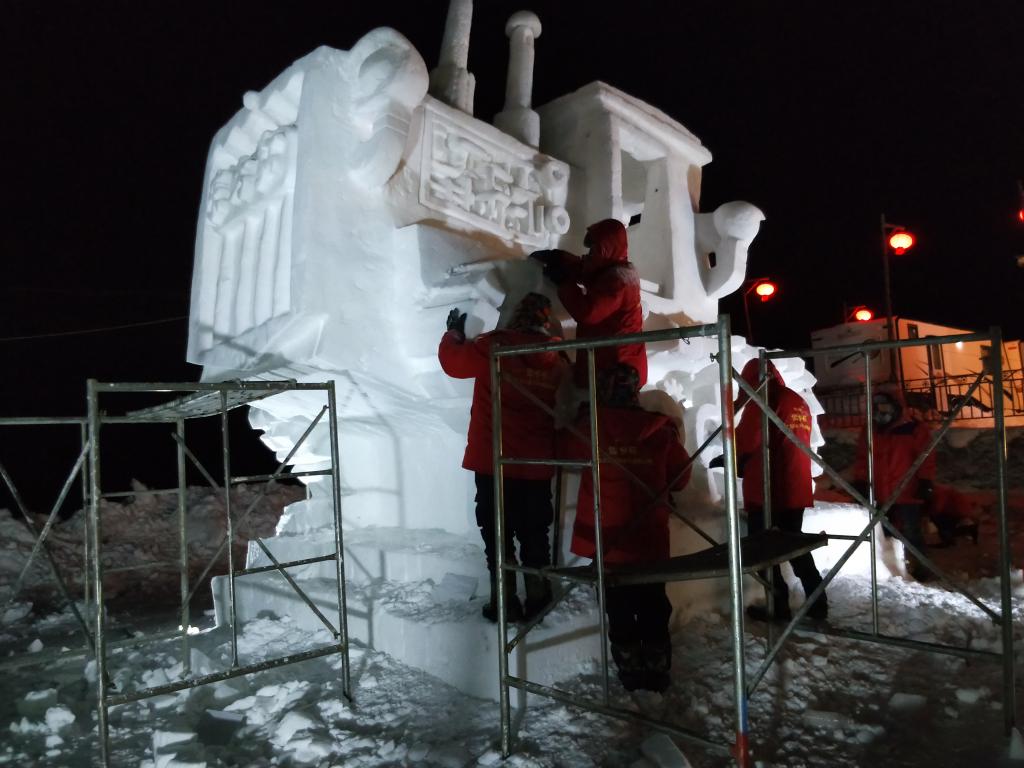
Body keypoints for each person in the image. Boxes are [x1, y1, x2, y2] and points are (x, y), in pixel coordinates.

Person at [560, 363, 691, 692]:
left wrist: (580, 419)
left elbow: (560, 448)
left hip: (609, 545)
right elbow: (682, 478)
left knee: (619, 611)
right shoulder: (659, 430)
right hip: (650, 543)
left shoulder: (592, 427)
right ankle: (657, 671)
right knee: (653, 607)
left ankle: (630, 673)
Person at [438, 293, 567, 623]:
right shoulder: (554, 356)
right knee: (535, 533)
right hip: (536, 464)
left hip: (495, 460)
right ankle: (538, 598)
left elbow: (454, 364)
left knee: (498, 534)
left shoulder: (496, 346)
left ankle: (504, 601)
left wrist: (452, 334)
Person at [735, 359, 826, 622]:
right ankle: (818, 601)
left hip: (768, 490)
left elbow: (747, 442)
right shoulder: (795, 400)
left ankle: (779, 607)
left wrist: (737, 460)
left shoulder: (762, 401)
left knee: (764, 553)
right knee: (794, 548)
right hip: (794, 488)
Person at [531, 218, 647, 389]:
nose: (590, 253)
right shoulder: (611, 268)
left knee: (604, 414)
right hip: (607, 362)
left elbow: (589, 313)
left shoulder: (619, 281)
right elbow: (587, 270)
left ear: (604, 249)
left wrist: (564, 283)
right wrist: (560, 258)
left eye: (594, 249)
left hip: (619, 370)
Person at [851, 384, 937, 581]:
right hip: (880, 492)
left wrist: (926, 481)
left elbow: (925, 458)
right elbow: (863, 457)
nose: (881, 412)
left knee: (911, 532)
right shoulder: (870, 429)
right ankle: (893, 569)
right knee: (885, 533)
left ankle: (920, 569)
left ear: (896, 406)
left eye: (885, 407)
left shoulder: (914, 428)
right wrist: (861, 480)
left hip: (908, 491)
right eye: (877, 407)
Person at [924, 483, 979, 547]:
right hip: (961, 510)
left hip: (956, 512)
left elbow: (937, 508)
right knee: (946, 523)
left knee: (939, 520)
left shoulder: (940, 492)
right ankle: (969, 530)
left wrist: (927, 513)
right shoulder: (942, 489)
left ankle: (948, 541)